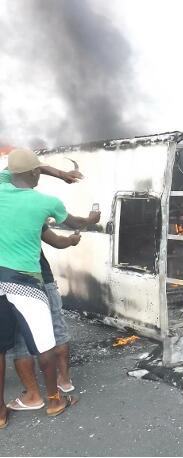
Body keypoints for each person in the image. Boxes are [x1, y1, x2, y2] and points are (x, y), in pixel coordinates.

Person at [0, 148, 99, 429]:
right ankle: (55, 400)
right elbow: (73, 223)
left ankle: (1, 414)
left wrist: (59, 174)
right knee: (45, 344)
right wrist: (90, 221)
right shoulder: (44, 202)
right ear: (34, 173)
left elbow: (26, 168)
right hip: (25, 283)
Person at [6, 227, 81, 411]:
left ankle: (33, 395)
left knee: (20, 339)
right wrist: (73, 238)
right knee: (57, 329)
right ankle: (64, 381)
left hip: (11, 283)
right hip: (43, 278)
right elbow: (57, 241)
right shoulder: (30, 210)